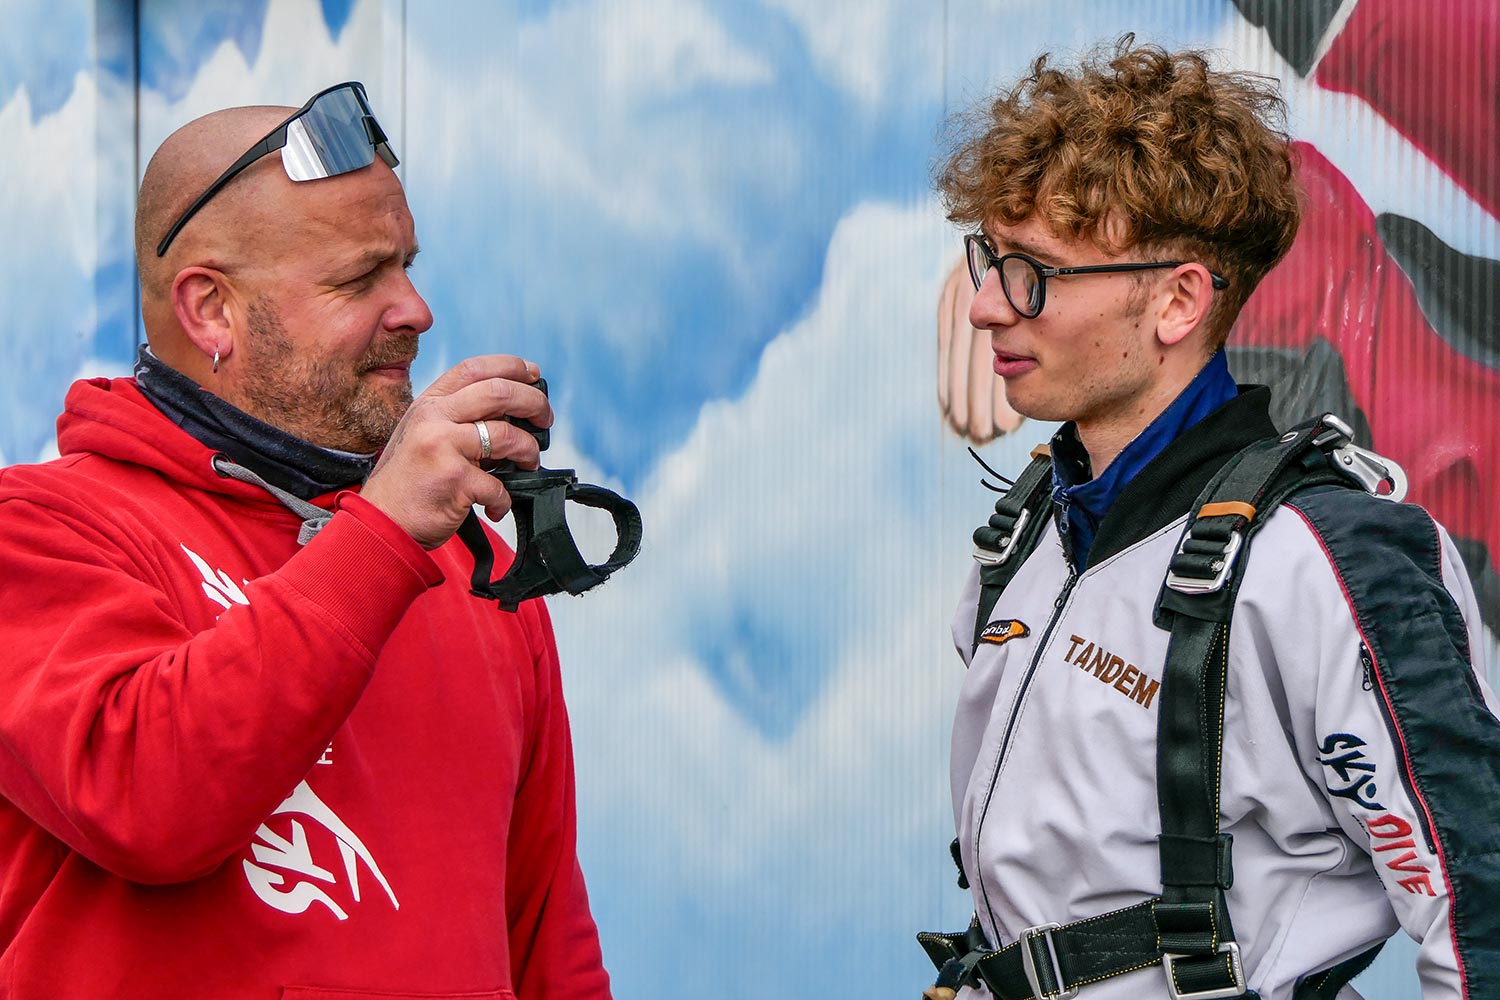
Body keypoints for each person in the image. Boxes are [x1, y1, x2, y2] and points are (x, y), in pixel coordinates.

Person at [0, 83, 611, 999]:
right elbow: (144, 802)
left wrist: (390, 533)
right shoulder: (37, 531)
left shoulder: (466, 565)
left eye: (406, 266)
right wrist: (383, 533)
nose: (415, 309)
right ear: (211, 310)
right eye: (360, 280)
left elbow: (548, 940)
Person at [925, 39, 1500, 1000]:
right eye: (989, 258)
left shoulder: (1328, 560)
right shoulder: (1028, 534)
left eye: (1034, 273)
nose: (986, 305)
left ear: (1179, 301)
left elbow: (1480, 921)